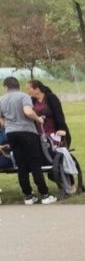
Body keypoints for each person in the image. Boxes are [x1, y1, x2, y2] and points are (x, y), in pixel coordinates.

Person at [0, 77, 55, 205]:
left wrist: (7, 125)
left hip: (11, 133)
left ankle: (28, 196)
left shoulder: (1, 99)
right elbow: (28, 112)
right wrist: (38, 119)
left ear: (6, 87)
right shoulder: (24, 96)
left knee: (21, 165)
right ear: (18, 86)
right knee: (35, 163)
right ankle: (44, 194)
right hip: (27, 132)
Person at [26, 80, 71, 149]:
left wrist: (61, 129)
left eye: (29, 89)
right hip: (39, 133)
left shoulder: (51, 98)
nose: (27, 91)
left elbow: (59, 114)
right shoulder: (32, 101)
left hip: (53, 132)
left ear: (37, 89)